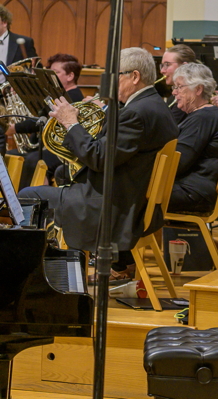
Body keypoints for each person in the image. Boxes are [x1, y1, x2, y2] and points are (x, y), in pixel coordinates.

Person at [19, 47, 178, 282]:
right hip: (134, 199)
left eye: (115, 75)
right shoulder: (153, 105)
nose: (109, 83)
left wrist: (72, 123)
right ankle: (65, 264)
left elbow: (99, 158)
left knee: (29, 194)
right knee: (64, 174)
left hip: (115, 207)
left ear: (134, 77)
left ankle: (32, 276)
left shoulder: (135, 113)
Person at [6, 53, 84, 189]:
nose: (50, 77)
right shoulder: (56, 95)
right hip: (48, 146)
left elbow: (48, 119)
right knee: (10, 155)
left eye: (56, 73)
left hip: (64, 150)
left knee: (34, 161)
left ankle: (37, 203)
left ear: (70, 76)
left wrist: (17, 128)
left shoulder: (74, 97)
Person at [168, 63, 218, 213]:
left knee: (130, 191)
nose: (175, 93)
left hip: (193, 192)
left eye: (179, 87)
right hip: (194, 187)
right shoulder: (204, 115)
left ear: (198, 89)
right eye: (174, 87)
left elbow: (178, 162)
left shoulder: (204, 117)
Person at [0, 4, 37, 154]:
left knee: (2, 136)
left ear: (4, 22)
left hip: (10, 96)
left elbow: (32, 69)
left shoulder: (25, 42)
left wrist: (22, 85)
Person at [160, 44, 198, 124]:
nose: (162, 71)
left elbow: (166, 127)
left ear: (184, 66)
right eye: (162, 66)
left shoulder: (186, 97)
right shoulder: (175, 94)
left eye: (167, 65)